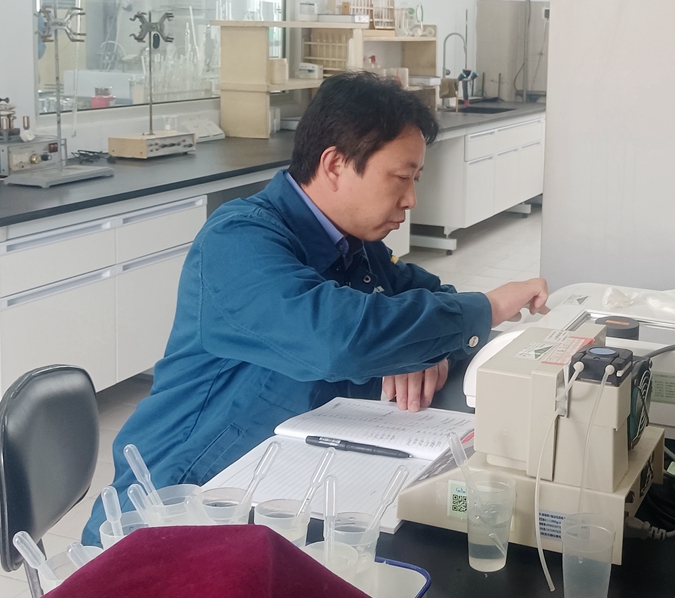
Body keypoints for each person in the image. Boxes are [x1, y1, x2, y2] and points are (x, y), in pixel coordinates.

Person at [82, 71, 548, 545]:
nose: (410, 199)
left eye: (416, 180)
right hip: (175, 507)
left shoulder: (355, 247)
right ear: (335, 164)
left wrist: (427, 348)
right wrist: (485, 309)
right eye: (401, 178)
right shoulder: (238, 241)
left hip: (280, 494)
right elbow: (335, 338)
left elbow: (429, 298)